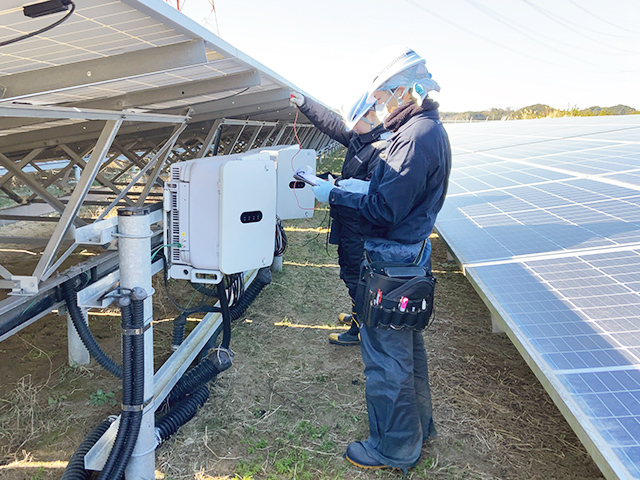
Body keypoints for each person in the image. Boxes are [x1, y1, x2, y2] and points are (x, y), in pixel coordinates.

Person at [310, 46, 452, 472]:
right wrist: (356, 189)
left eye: (385, 97)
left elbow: (382, 212)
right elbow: (391, 199)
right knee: (407, 347)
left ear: (408, 92)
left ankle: (393, 448)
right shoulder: (429, 131)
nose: (380, 106)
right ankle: (417, 428)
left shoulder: (412, 139)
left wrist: (334, 194)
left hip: (391, 264)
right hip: (407, 259)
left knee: (386, 359)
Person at [290, 90, 389, 346]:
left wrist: (338, 189)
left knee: (358, 275)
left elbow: (373, 196)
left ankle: (361, 330)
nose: (350, 127)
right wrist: (305, 104)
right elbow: (331, 124)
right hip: (347, 220)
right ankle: (359, 314)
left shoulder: (381, 149)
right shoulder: (360, 136)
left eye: (354, 120)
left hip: (361, 227)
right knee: (348, 270)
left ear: (370, 115)